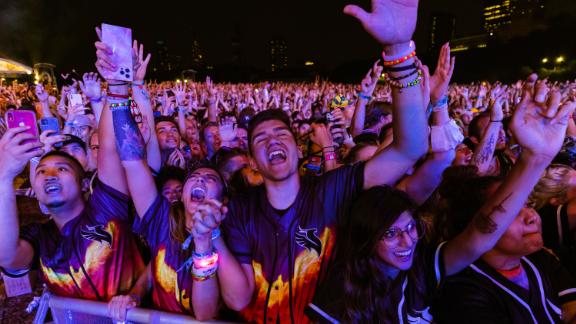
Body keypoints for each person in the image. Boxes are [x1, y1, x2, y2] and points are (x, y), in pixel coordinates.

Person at [211, 0, 430, 321]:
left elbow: (409, 149)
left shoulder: (333, 190)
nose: (273, 140)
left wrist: (398, 51)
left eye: (282, 133)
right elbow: (237, 298)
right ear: (253, 163)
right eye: (260, 138)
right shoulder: (241, 211)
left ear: (299, 149)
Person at [309, 75, 576, 322]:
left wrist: (536, 159)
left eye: (411, 227)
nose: (407, 241)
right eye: (391, 233)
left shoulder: (422, 268)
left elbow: (480, 236)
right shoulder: (342, 289)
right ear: (366, 237)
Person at [95, 35, 222, 320]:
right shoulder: (162, 221)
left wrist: (204, 243)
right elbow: (131, 159)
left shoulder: (233, 235)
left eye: (210, 178)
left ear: (224, 201)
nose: (199, 179)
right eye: (195, 175)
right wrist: (117, 90)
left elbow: (206, 315)